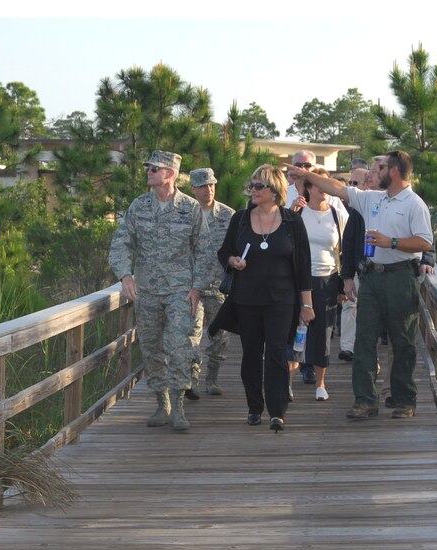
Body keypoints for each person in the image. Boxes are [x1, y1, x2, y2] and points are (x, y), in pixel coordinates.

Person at [286, 150, 433, 419]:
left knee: (403, 340)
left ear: (395, 171)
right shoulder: (374, 199)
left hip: (401, 277)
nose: (375, 173)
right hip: (373, 277)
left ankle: (403, 400)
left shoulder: (414, 204)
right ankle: (365, 400)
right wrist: (306, 174)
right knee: (364, 339)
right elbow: (339, 189)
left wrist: (393, 242)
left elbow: (425, 242)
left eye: (381, 168)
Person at [108, 150, 211, 431]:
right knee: (151, 347)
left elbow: (204, 251)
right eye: (149, 168)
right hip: (147, 292)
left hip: (180, 291)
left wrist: (197, 288)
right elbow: (121, 243)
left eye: (155, 168)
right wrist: (125, 275)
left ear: (171, 174)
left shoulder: (190, 208)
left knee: (179, 347)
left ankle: (178, 406)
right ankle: (161, 403)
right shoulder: (139, 206)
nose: (149, 172)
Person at [216, 164, 314, 432]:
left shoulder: (293, 222)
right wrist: (233, 261)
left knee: (276, 354)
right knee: (250, 355)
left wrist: (307, 304)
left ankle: (277, 410)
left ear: (275, 191)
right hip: (246, 300)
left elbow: (304, 265)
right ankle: (254, 407)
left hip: (282, 300)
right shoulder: (240, 219)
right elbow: (223, 252)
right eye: (252, 185)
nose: (253, 191)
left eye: (259, 186)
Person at [285, 150, 345, 386]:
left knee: (323, 330)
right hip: (298, 277)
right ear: (308, 188)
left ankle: (317, 377)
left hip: (327, 278)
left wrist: (346, 280)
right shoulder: (295, 208)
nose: (323, 189)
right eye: (318, 185)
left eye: (326, 185)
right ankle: (289, 377)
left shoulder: (337, 212)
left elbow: (345, 246)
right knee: (296, 328)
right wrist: (291, 213)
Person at [186, 168, 235, 400]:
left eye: (212, 185)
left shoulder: (228, 215)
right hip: (191, 287)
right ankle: (192, 381)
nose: (209, 189)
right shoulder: (184, 214)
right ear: (193, 188)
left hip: (218, 287)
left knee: (220, 336)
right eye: (203, 186)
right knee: (191, 335)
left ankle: (212, 378)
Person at [338, 165, 372, 362]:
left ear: (367, 183)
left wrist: (427, 260)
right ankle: (347, 347)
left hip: (384, 272)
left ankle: (367, 350)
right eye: (349, 183)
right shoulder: (356, 209)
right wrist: (347, 276)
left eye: (355, 183)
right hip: (361, 268)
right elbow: (348, 242)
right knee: (350, 305)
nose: (351, 187)